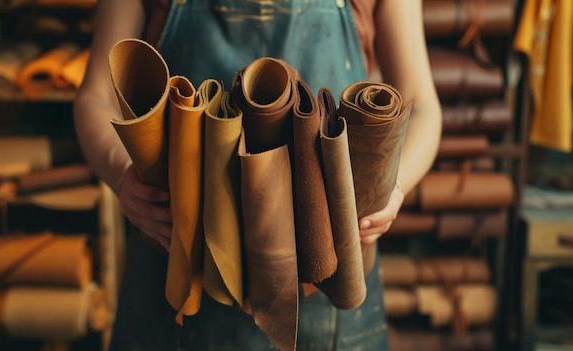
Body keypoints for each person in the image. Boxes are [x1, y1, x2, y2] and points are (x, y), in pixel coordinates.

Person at [73, 0, 442, 349]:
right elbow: (95, 96)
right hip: (179, 268)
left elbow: (422, 103)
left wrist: (393, 187)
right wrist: (122, 174)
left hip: (331, 281)